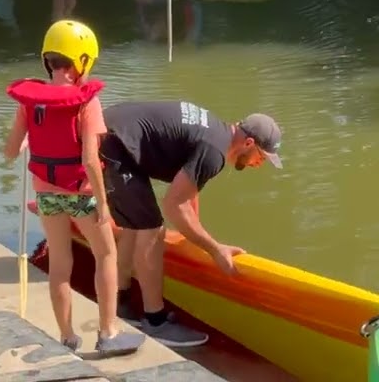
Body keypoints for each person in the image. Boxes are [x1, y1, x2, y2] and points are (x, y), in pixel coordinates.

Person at [2, 20, 145, 357]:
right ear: (82, 60)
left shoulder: (29, 101)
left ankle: (66, 337)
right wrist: (104, 204)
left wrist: (29, 143)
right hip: (82, 195)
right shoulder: (86, 102)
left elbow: (10, 151)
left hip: (46, 194)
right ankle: (108, 333)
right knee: (106, 254)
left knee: (59, 262)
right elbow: (91, 160)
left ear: (47, 59)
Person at [99, 101, 283, 348]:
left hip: (113, 132)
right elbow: (174, 204)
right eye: (261, 157)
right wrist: (215, 249)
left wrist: (193, 236)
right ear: (248, 143)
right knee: (152, 229)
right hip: (114, 142)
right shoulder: (214, 152)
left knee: (135, 225)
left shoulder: (215, 134)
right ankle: (155, 321)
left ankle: (120, 301)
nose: (259, 164)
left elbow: (188, 193)